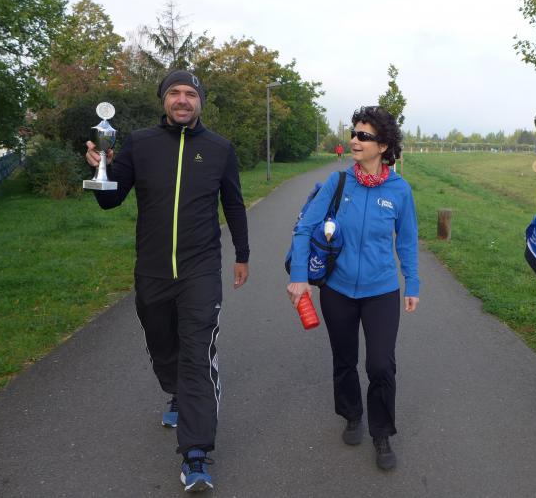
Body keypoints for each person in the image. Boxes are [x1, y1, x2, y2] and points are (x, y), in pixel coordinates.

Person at [85, 70, 250, 492]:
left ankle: (196, 454)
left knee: (197, 355)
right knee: (162, 344)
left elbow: (233, 203)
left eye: (190, 94)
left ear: (200, 102)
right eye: (175, 92)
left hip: (200, 270)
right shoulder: (140, 143)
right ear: (163, 99)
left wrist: (243, 255)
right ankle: (175, 389)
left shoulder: (219, 148)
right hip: (153, 270)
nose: (182, 100)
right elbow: (110, 200)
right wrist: (101, 169)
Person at [286, 106, 420, 471]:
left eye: (364, 135)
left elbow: (407, 240)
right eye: (354, 133)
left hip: (381, 290)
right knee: (344, 358)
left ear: (383, 145)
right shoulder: (338, 183)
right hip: (338, 289)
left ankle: (382, 433)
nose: (355, 140)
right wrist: (299, 275)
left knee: (381, 364)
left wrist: (412, 282)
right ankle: (351, 414)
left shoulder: (399, 190)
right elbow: (304, 228)